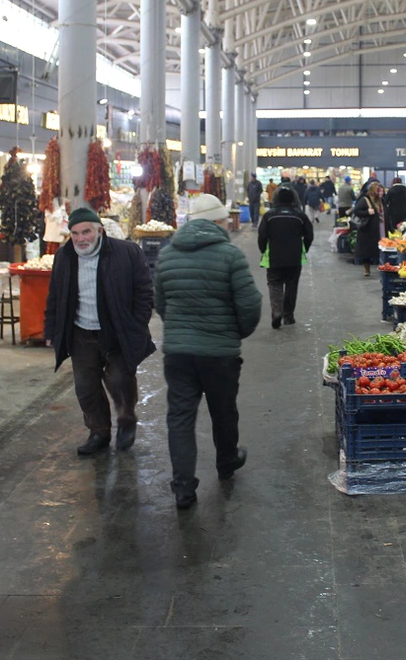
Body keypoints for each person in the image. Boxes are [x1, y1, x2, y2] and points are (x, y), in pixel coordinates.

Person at [154, 192, 262, 509]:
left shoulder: (168, 254)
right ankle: (226, 462)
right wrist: (236, 333)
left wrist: (178, 329)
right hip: (220, 354)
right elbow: (250, 304)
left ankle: (183, 487)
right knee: (223, 411)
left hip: (178, 354)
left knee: (180, 419)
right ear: (217, 221)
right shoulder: (230, 255)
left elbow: (160, 303)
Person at [44, 207, 156, 457]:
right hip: (81, 333)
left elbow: (144, 292)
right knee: (85, 387)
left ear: (100, 231)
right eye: (75, 233)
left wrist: (137, 325)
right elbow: (55, 296)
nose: (81, 238)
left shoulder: (126, 253)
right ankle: (99, 432)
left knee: (119, 380)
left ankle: (126, 419)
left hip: (117, 332)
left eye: (86, 232)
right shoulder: (64, 256)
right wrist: (51, 328)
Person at [258, 184, 313, 329]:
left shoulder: (269, 215)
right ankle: (288, 316)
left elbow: (262, 236)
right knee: (291, 285)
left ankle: (277, 311)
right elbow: (309, 235)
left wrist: (263, 250)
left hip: (274, 257)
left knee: (274, 284)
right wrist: (304, 249)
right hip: (294, 258)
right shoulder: (299, 215)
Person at [352, 179, 385, 277]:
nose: (381, 193)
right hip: (368, 229)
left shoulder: (381, 201)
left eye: (382, 191)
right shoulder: (365, 200)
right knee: (366, 251)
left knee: (381, 249)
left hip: (380, 228)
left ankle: (382, 267)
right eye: (379, 191)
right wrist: (367, 212)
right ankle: (367, 269)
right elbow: (356, 211)